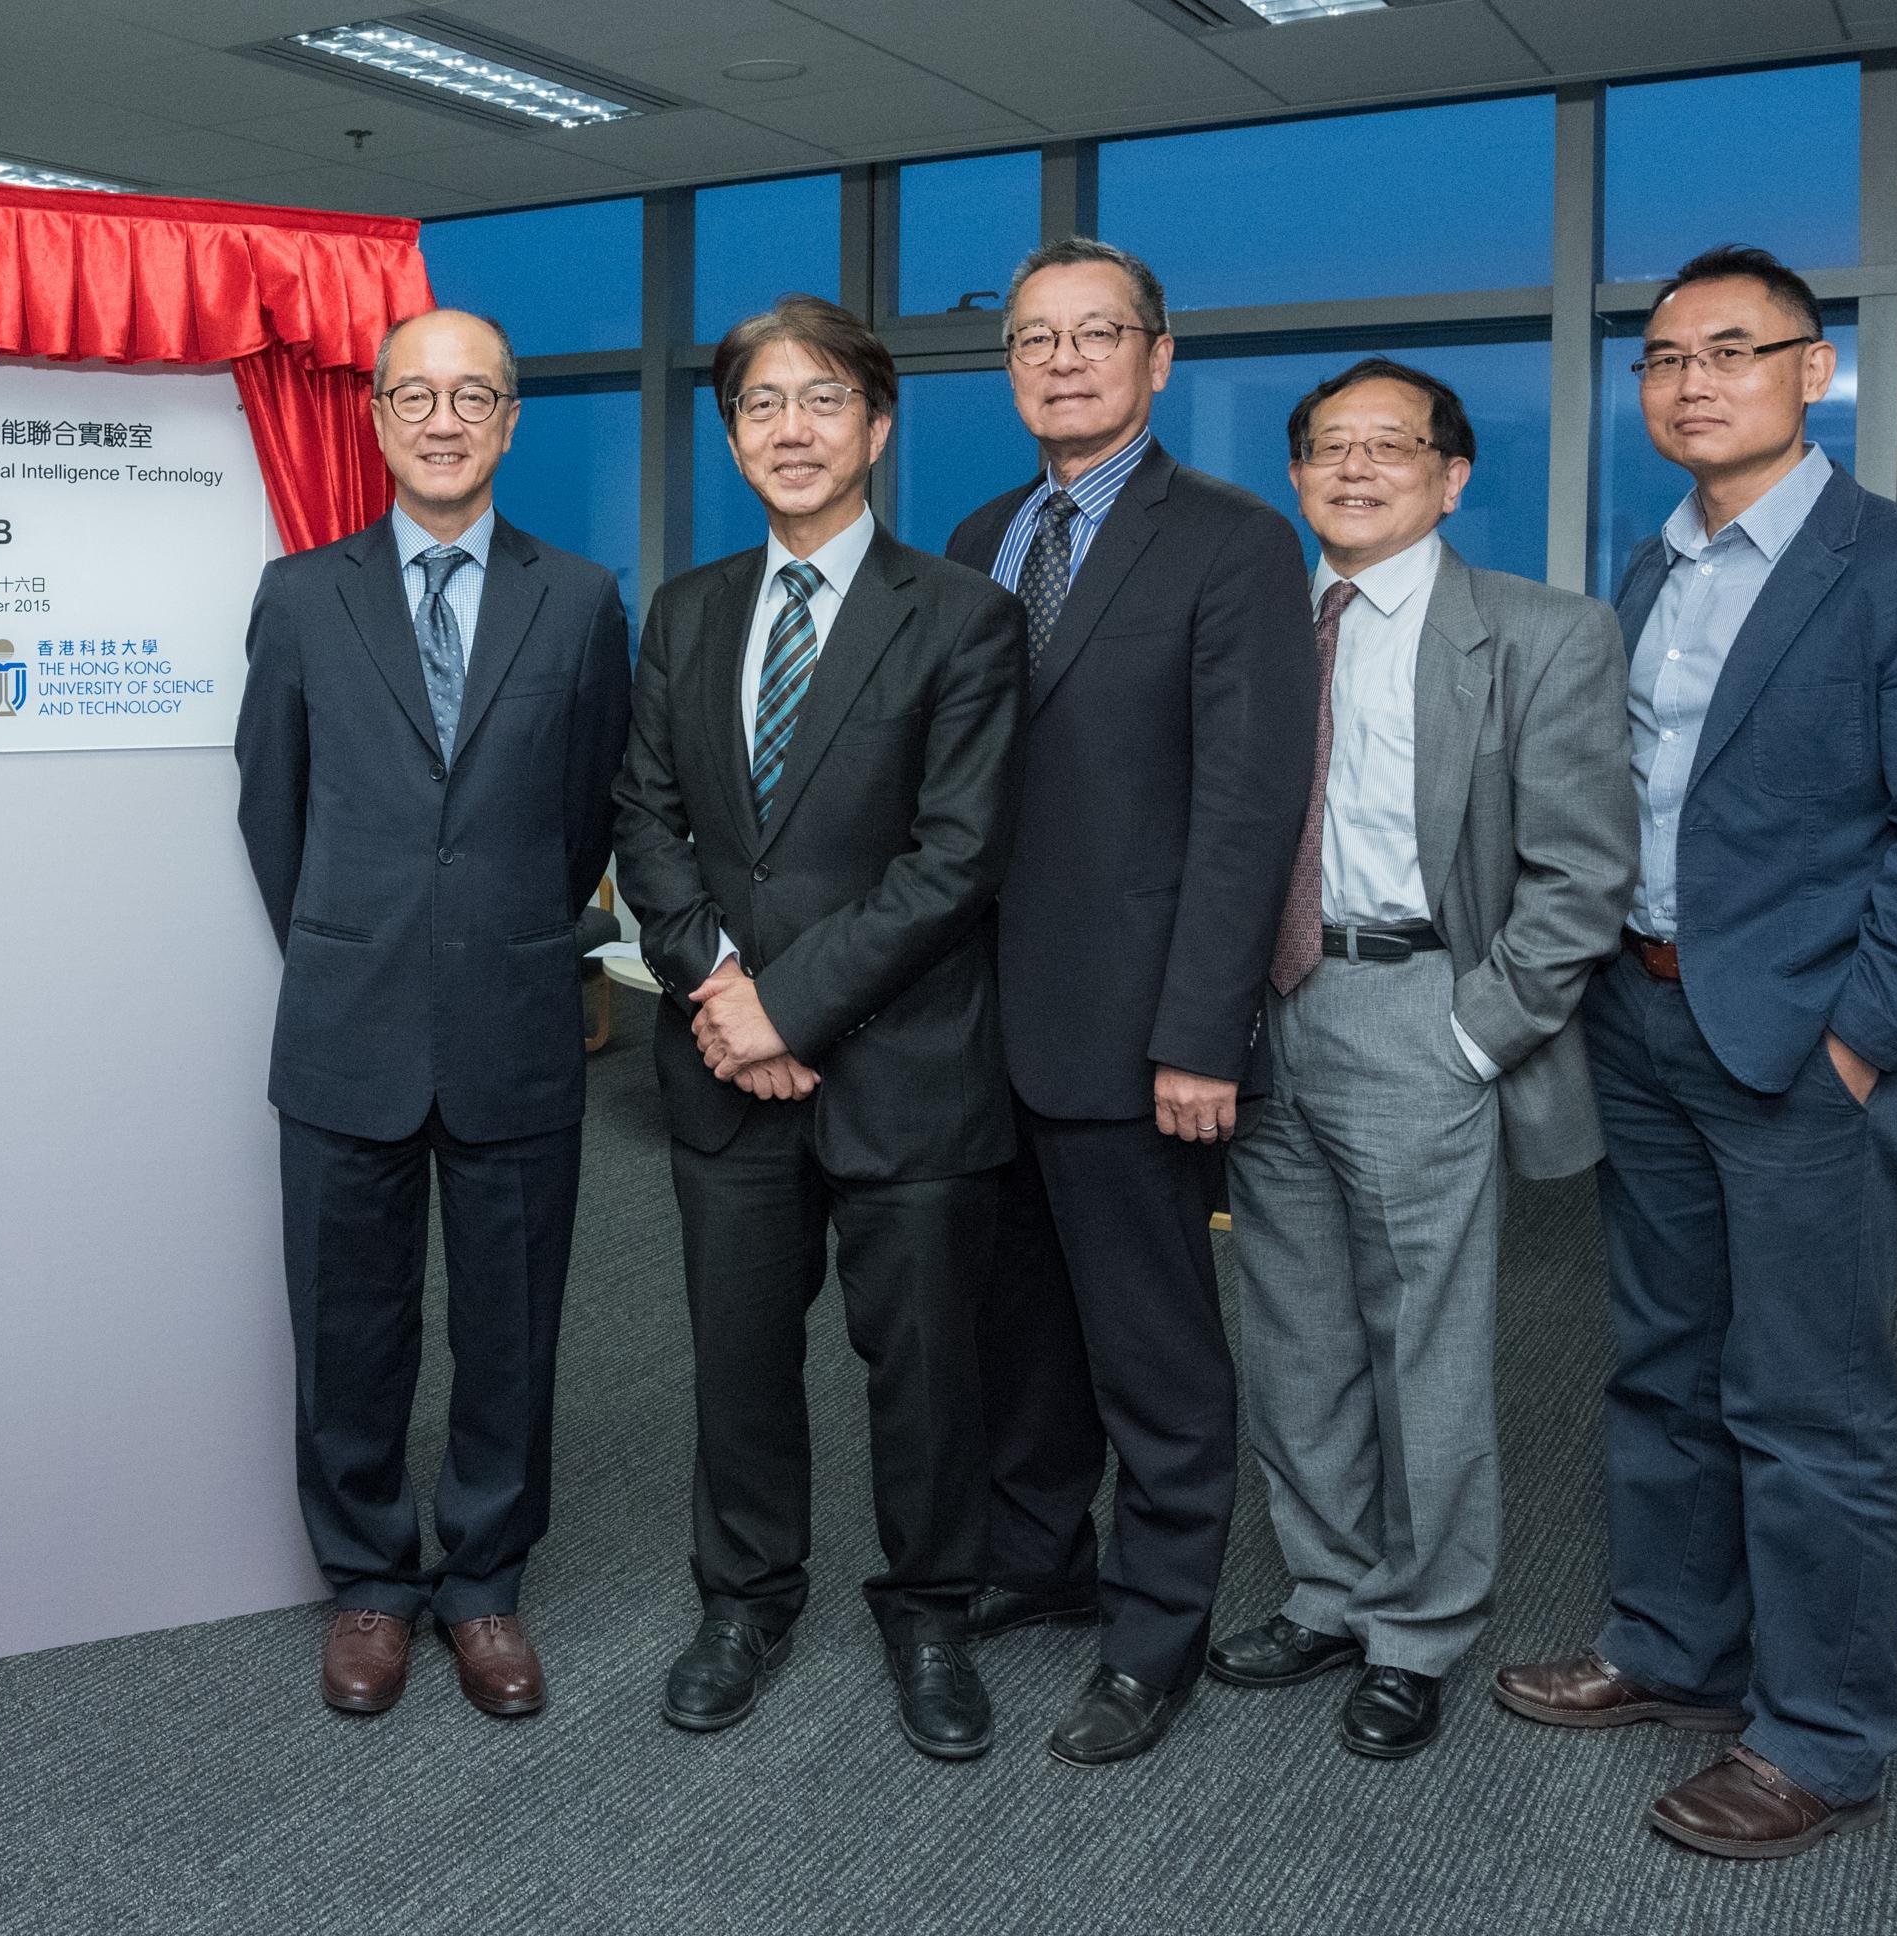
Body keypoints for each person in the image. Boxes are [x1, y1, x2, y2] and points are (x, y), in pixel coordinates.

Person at [1492, 246, 1897, 1859]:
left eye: (1734, 349)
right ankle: (1673, 1646)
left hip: (1802, 1050)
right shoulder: (1650, 570)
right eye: (1662, 358)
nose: (1691, 381)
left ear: (1818, 372)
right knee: (1663, 1363)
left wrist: (1861, 1040)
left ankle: (1822, 1736)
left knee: (1811, 1402)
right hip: (1646, 1021)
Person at [1203, 358, 1634, 1761]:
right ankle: (1328, 1590)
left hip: (1419, 1008)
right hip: (1264, 1006)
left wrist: (1473, 1031)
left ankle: (1420, 1626)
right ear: (1296, 474)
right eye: (1329, 445)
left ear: (1451, 476)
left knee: (1422, 1341)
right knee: (1294, 1330)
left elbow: (1582, 873)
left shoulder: (1537, 633)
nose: (1355, 466)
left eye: (1390, 445)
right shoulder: (1255, 623)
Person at [614, 296, 1027, 1757]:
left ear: (877, 425)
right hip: (724, 1069)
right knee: (735, 1357)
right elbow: (646, 820)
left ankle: (928, 1611)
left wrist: (782, 1002)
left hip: (904, 1060)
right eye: (761, 407)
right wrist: (718, 991)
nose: (790, 430)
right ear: (731, 437)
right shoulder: (685, 609)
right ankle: (743, 1599)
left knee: (923, 1369)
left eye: (822, 402)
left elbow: (955, 857)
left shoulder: (966, 616)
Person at [941, 237, 1316, 1766]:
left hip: (1137, 1029)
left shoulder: (1229, 544)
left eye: (1099, 334)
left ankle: (1153, 1633)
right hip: (977, 1030)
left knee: (1154, 1353)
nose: (1065, 360)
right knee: (1018, 1335)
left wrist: (1198, 1034)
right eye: (1035, 338)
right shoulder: (976, 534)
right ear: (1010, 367)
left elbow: (1247, 807)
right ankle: (1038, 1562)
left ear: (1159, 359)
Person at [233, 307, 632, 1720]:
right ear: (378, 419)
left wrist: (492, 934)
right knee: (349, 1325)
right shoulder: (299, 593)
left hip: (515, 1015)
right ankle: (367, 1580)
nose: (444, 419)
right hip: (347, 1020)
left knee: (513, 1325)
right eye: (416, 395)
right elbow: (268, 810)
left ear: (511, 422)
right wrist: (356, 946)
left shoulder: (579, 600)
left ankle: (480, 1583)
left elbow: (587, 807)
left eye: (474, 396)